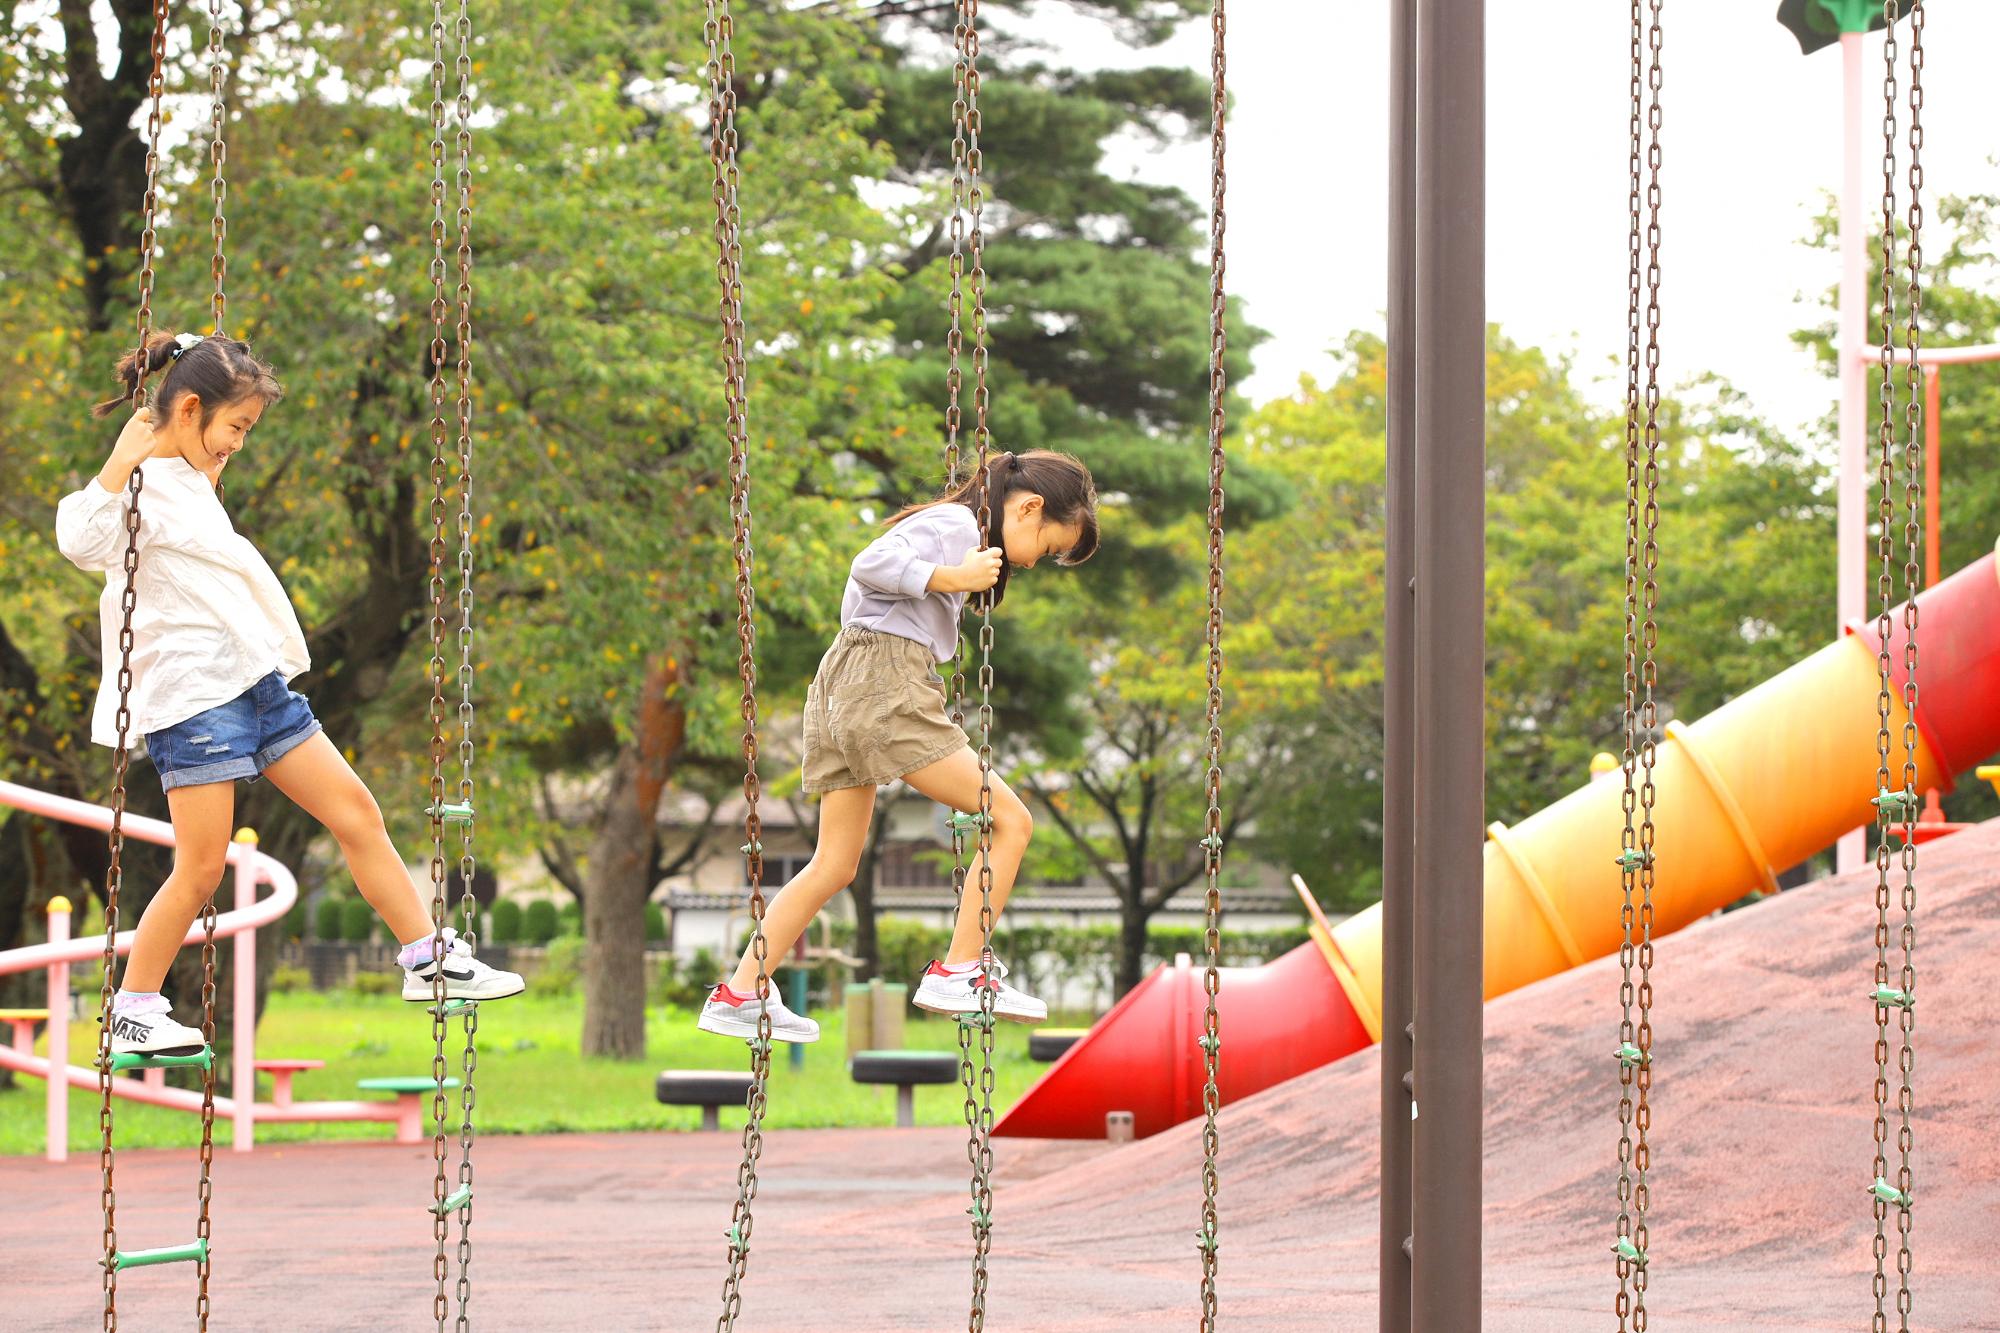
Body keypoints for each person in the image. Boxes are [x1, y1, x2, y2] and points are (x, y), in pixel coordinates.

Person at [56, 331, 521, 1058]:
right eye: (235, 427)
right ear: (186, 410)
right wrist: (123, 456)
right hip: (196, 700)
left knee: (357, 811)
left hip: (256, 685)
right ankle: (133, 1007)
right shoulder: (141, 484)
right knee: (202, 866)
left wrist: (198, 349)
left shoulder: (194, 475)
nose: (237, 444)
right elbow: (79, 541)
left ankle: (426, 958)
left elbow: (203, 422)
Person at [697, 449, 1099, 1043]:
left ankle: (740, 991)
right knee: (1011, 820)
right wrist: (952, 578)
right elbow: (871, 560)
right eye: (1051, 545)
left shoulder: (957, 528)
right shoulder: (958, 523)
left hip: (843, 683)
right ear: (1030, 508)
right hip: (885, 680)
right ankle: (960, 968)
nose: (1041, 560)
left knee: (834, 863)